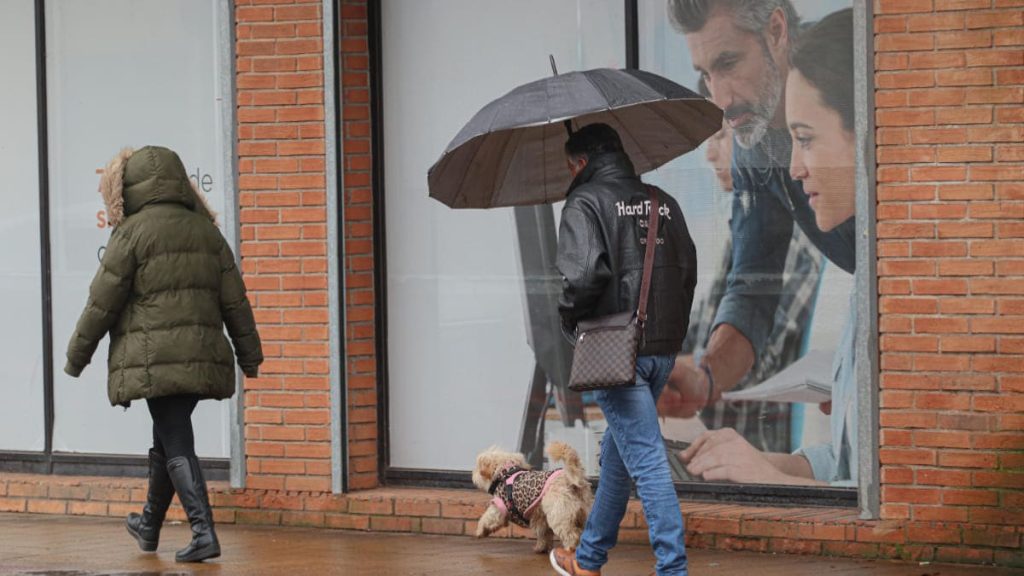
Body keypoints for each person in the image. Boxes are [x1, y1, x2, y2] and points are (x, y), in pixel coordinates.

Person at [679, 8, 858, 486]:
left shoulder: (843, 67)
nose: (719, 98)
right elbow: (752, 286)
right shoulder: (753, 143)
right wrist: (705, 379)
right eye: (705, 74)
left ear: (776, 30)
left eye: (729, 63)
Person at [64, 145, 263, 562]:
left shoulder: (132, 233)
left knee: (174, 438)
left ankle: (203, 532)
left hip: (156, 358)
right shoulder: (206, 230)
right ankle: (149, 526)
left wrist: (76, 356)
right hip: (201, 354)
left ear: (128, 187)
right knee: (165, 437)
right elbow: (235, 300)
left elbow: (102, 302)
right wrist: (249, 354)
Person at [549, 123, 697, 576]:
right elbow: (687, 272)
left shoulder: (585, 202)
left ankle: (673, 569)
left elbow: (583, 277)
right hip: (660, 348)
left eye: (569, 165)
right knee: (618, 456)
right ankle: (589, 559)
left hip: (613, 352)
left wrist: (570, 318)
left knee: (648, 460)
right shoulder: (662, 202)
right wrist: (668, 335)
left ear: (580, 163)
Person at [659, 79, 824, 456]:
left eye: (719, 137)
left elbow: (754, 363)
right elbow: (694, 336)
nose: (709, 155)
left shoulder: (794, 238)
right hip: (712, 441)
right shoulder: (742, 231)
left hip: (753, 451)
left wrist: (666, 372)